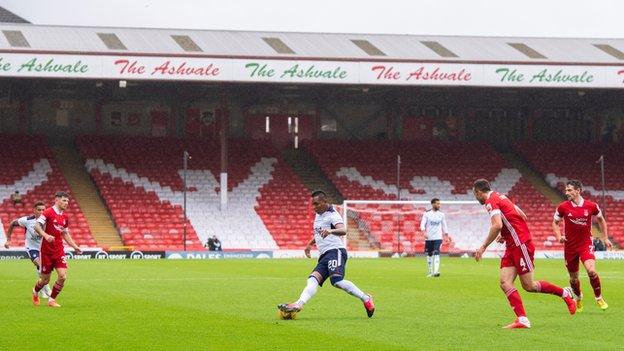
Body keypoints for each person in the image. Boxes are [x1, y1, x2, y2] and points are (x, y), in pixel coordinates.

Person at [472, 179, 576, 329]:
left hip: (520, 244)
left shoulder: (490, 202)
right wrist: (507, 233)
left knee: (529, 285)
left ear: (479, 192)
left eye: (475, 194)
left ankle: (564, 293)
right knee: (504, 282)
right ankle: (522, 320)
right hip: (512, 243)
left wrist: (483, 247)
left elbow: (497, 225)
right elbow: (521, 214)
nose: (476, 198)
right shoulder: (501, 197)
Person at [278, 190, 375, 318]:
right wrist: (309, 244)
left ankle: (366, 298)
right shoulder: (319, 214)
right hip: (324, 255)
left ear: (324, 202)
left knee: (337, 281)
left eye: (317, 204)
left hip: (336, 251)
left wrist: (330, 231)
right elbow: (319, 233)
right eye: (313, 204)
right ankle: (299, 304)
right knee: (312, 279)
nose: (314, 207)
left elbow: (344, 230)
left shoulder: (332, 215)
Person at [552, 180, 612, 312]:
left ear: (578, 190)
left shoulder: (591, 206)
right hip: (570, 247)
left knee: (591, 271)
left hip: (585, 244)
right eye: (566, 190)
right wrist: (558, 236)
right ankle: (578, 297)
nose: (566, 192)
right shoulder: (563, 207)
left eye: (569, 190)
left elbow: (601, 220)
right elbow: (555, 223)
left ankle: (598, 297)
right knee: (573, 279)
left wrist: (605, 237)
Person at [32, 191, 82, 308]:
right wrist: (46, 235)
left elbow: (65, 234)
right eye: (64, 200)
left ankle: (51, 300)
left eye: (67, 201)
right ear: (57, 200)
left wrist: (75, 246)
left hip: (59, 250)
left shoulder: (65, 217)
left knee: (63, 276)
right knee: (45, 280)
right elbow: (36, 226)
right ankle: (35, 292)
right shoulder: (48, 212)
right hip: (46, 251)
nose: (66, 203)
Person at [4, 201, 52, 298]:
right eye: (39, 210)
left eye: (43, 210)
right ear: (34, 210)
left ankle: (41, 289)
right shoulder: (27, 220)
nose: (42, 212)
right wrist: (8, 240)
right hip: (32, 248)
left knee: (43, 269)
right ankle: (47, 289)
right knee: (40, 265)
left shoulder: (48, 221)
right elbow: (13, 223)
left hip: (44, 248)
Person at [420, 198, 449, 277]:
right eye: (437, 203)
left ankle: (436, 271)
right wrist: (423, 232)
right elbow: (422, 224)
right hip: (429, 238)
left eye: (439, 204)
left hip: (438, 238)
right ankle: (430, 271)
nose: (439, 205)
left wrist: (446, 235)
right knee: (429, 255)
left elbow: (444, 225)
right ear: (432, 204)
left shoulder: (441, 214)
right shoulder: (426, 214)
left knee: (436, 253)